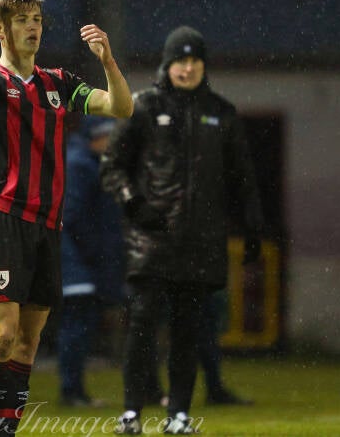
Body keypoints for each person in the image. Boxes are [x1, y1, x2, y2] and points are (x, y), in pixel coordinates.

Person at [0, 0, 133, 437]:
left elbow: (121, 107)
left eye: (38, 20)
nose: (33, 27)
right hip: (3, 216)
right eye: (23, 20)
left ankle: (8, 428)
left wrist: (107, 61)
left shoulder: (59, 84)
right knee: (3, 336)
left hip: (49, 225)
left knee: (28, 343)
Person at [101, 26, 263, 435]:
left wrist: (253, 228)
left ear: (204, 65)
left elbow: (243, 176)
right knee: (141, 326)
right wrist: (134, 204)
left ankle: (178, 414)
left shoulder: (222, 113)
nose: (187, 68)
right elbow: (112, 166)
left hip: (201, 241)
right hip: (151, 240)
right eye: (180, 60)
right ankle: (132, 413)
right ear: (167, 63)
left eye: (194, 61)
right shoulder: (141, 105)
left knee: (189, 331)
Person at [57, 116, 125, 407]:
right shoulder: (81, 164)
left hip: (80, 259)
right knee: (76, 326)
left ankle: (74, 390)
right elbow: (72, 217)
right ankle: (72, 391)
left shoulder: (87, 161)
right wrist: (94, 253)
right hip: (75, 260)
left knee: (79, 326)